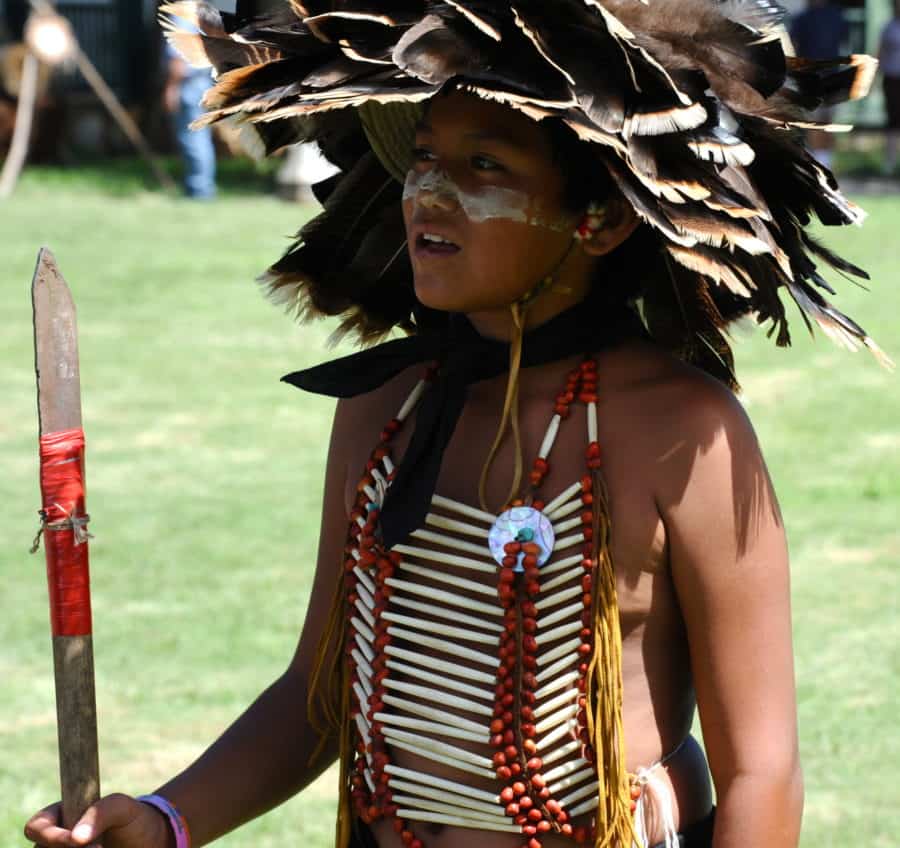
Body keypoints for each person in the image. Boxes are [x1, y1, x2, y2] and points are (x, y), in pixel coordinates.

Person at [26, 2, 884, 848]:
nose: (429, 194)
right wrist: (170, 819)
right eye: (427, 157)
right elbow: (321, 695)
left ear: (604, 217)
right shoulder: (383, 408)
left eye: (484, 166)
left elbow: (761, 772)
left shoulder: (685, 432)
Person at [789, 0, 850, 170]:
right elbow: (793, 48)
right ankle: (818, 163)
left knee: (827, 121)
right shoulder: (802, 18)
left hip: (832, 77)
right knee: (815, 122)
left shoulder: (836, 16)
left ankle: (825, 161)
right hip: (810, 79)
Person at [162, 20, 216, 199]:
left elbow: (178, 59)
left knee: (193, 141)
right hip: (201, 84)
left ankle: (199, 190)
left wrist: (172, 88)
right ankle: (200, 187)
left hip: (188, 87)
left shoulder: (181, 17)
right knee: (201, 139)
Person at [880, 1, 900, 176]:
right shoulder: (889, 27)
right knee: (893, 121)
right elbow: (880, 52)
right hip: (892, 79)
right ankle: (890, 162)